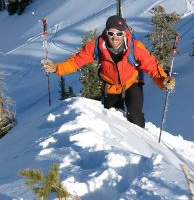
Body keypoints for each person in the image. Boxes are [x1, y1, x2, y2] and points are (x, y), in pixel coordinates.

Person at [41, 15, 175, 128]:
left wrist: (164, 81)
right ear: (106, 33)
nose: (114, 37)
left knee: (135, 116)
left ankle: (140, 147)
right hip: (109, 87)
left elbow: (152, 67)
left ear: (124, 33)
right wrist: (56, 68)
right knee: (110, 119)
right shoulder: (97, 46)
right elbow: (76, 61)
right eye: (111, 33)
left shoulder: (136, 48)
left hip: (131, 84)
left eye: (119, 34)